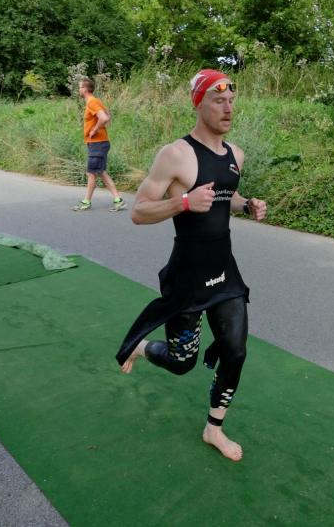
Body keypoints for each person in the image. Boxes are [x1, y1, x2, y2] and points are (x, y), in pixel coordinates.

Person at [116, 69, 267, 462]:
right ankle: (143, 348)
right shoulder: (175, 155)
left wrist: (246, 205)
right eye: (218, 100)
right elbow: (138, 212)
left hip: (225, 272)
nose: (228, 108)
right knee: (182, 362)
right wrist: (183, 202)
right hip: (188, 276)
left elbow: (224, 198)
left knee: (235, 351)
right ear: (198, 104)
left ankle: (213, 428)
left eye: (231, 100)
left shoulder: (236, 155)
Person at [72, 78, 126, 212]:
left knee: (91, 173)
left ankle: (86, 202)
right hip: (98, 143)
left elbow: (104, 117)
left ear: (85, 89)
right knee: (101, 172)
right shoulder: (95, 101)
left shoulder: (92, 102)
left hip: (97, 143)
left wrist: (94, 130)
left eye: (80, 87)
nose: (79, 90)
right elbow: (108, 115)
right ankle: (118, 199)